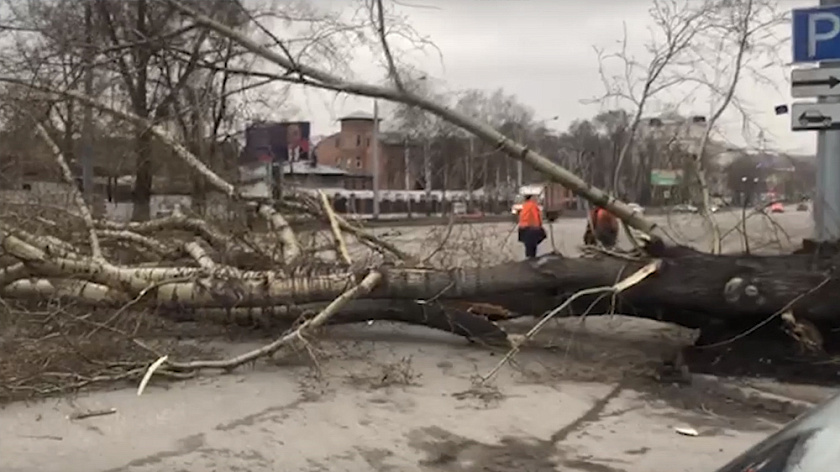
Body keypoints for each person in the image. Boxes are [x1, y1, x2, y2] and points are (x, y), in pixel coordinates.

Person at [517, 194, 546, 259]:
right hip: (532, 229)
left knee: (528, 248)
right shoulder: (533, 206)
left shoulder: (525, 206)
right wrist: (539, 227)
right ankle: (531, 261)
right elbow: (536, 217)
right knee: (532, 248)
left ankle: (529, 260)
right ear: (531, 198)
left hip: (523, 229)